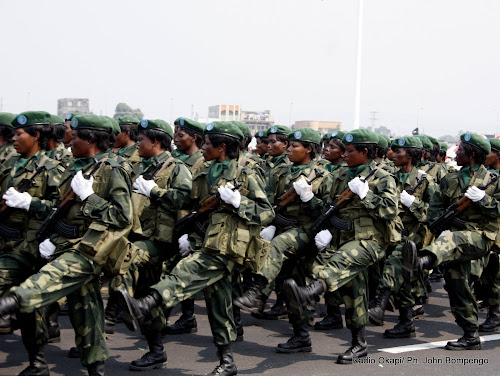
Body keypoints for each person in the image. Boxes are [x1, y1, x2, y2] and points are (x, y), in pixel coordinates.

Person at [117, 121, 273, 376]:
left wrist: (239, 202)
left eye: (209, 144)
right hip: (206, 241)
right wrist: (159, 197)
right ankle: (227, 361)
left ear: (223, 147)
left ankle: (145, 304)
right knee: (218, 304)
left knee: (186, 271)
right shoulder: (203, 170)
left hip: (230, 248)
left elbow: (266, 213)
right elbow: (190, 205)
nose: (203, 148)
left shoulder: (244, 173)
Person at [0, 114, 133, 376]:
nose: (69, 138)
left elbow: (122, 216)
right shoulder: (76, 166)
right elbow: (59, 209)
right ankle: (78, 368)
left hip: (90, 250)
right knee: (86, 312)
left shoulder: (112, 169)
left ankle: (95, 369)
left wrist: (90, 196)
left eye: (77, 135)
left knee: (83, 311)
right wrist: (46, 227)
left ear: (91, 139)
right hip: (62, 244)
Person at [281, 129, 400, 363]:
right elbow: (328, 206)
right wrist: (319, 217)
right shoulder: (340, 175)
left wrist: (367, 195)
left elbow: (390, 211)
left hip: (370, 241)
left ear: (365, 152)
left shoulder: (382, 177)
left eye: (350, 151)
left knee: (343, 260)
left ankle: (311, 292)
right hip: (342, 237)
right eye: (344, 150)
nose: (344, 155)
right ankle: (359, 344)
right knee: (353, 291)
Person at [402, 133, 500, 350]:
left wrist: (485, 200)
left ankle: (422, 261)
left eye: (462, 150)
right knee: (456, 284)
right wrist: (441, 223)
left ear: (473, 154)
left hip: (480, 237)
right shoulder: (450, 178)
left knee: (454, 240)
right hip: (451, 241)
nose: (456, 153)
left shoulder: (493, 181)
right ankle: (470, 334)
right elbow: (435, 208)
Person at [0, 111, 65, 374]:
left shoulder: (52, 169)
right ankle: (38, 365)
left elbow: (61, 208)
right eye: (13, 134)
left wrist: (31, 203)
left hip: (30, 247)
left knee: (31, 308)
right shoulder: (8, 164)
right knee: (27, 306)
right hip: (6, 241)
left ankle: (37, 363)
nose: (14, 139)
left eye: (20, 134)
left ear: (36, 136)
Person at [368, 136, 438, 338]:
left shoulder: (425, 181)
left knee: (394, 263)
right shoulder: (389, 178)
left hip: (412, 237)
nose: (395, 155)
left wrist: (413, 203)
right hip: (390, 235)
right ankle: (406, 322)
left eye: (399, 152)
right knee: (404, 282)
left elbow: (433, 215)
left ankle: (381, 303)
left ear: (411, 155)